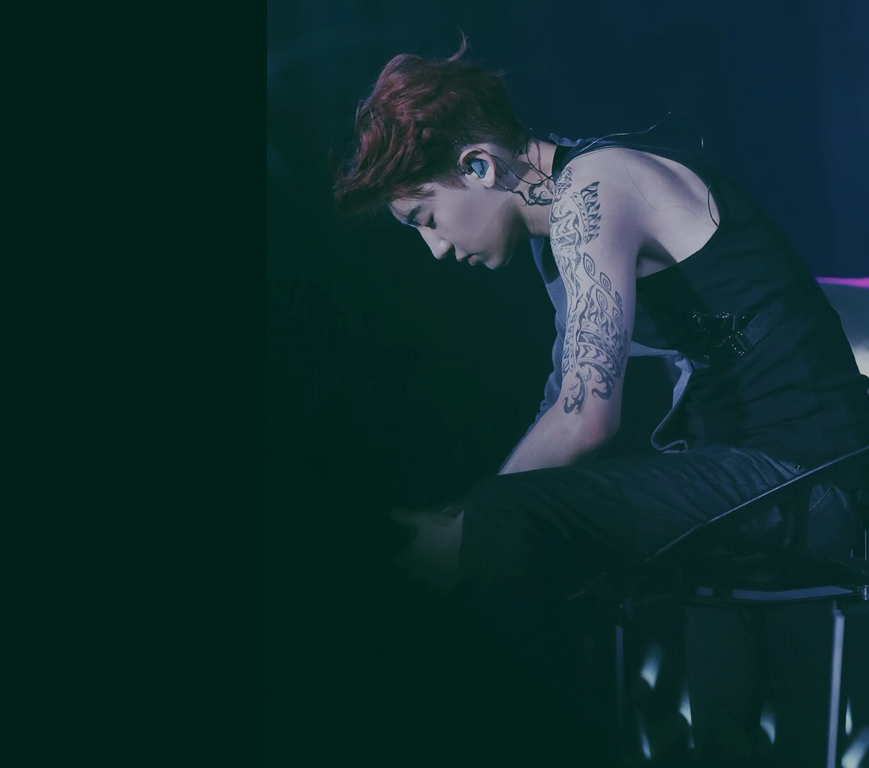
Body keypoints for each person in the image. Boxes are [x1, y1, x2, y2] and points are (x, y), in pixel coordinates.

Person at [332, 35, 869, 765]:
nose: (437, 250)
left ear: (478, 166)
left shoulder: (597, 186)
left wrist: (471, 531)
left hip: (811, 475)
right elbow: (563, 400)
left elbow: (586, 419)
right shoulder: (560, 233)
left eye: (426, 219)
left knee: (507, 521)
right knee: (505, 519)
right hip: (752, 472)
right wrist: (465, 518)